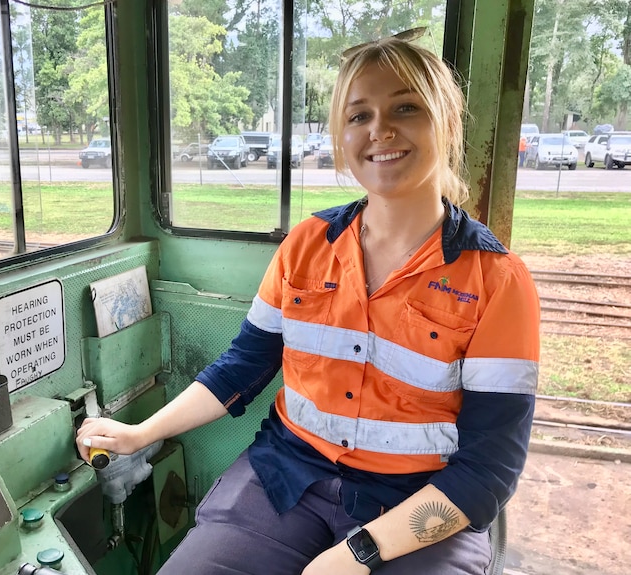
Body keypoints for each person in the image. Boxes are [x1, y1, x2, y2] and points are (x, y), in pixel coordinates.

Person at [77, 32, 540, 575]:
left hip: (423, 501)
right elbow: (240, 370)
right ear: (342, 138)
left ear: (447, 123)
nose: (380, 131)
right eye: (358, 115)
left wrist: (358, 554)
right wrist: (140, 433)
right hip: (288, 476)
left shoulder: (497, 281)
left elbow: (489, 470)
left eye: (405, 107)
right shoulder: (306, 246)